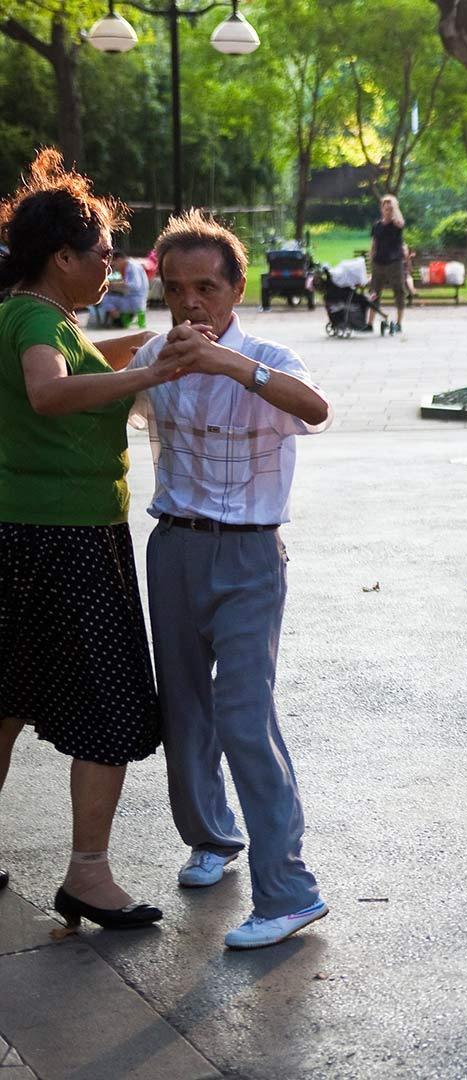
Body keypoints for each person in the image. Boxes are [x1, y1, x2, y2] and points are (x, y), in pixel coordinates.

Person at [129, 210, 334, 950]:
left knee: (244, 715)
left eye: (207, 288)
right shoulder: (157, 354)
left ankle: (290, 891)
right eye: (176, 289)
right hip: (174, 549)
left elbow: (316, 409)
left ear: (237, 288)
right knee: (183, 709)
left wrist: (229, 366)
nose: (191, 304)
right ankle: (211, 837)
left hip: (249, 556)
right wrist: (153, 363)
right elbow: (103, 388)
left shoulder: (269, 358)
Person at [0, 149, 174, 926]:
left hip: (20, 532)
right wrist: (148, 375)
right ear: (61, 258)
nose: (113, 264)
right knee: (110, 706)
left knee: (6, 699)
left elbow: (80, 363)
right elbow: (50, 390)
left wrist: (147, 345)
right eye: (102, 252)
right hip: (67, 538)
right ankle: (89, 876)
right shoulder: (39, 321)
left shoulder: (25, 313)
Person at [369, 195, 407, 333]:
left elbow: (401, 222)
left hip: (394, 263)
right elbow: (374, 244)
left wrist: (395, 206)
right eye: (386, 209)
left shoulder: (397, 225)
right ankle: (369, 323)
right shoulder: (377, 226)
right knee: (374, 293)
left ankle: (399, 323)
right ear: (382, 209)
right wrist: (371, 259)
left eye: (391, 209)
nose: (388, 212)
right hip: (378, 263)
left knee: (399, 292)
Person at [95, 250, 147, 328]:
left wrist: (114, 286)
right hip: (132, 297)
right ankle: (120, 320)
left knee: (106, 299)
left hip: (134, 299)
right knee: (108, 297)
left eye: (114, 264)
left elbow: (135, 285)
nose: (114, 267)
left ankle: (118, 320)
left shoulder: (133, 267)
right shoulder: (129, 266)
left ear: (119, 260)